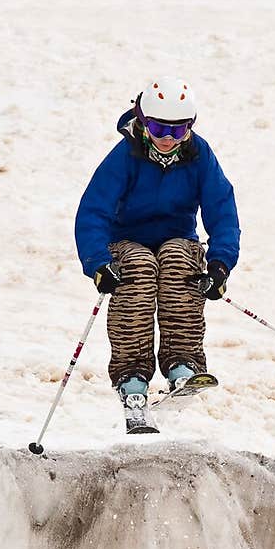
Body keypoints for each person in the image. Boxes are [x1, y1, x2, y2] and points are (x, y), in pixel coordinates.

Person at [75, 77, 241, 433]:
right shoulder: (126, 155)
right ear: (142, 121)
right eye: (158, 128)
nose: (168, 139)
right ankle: (132, 378)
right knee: (138, 266)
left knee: (179, 258)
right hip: (126, 241)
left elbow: (222, 209)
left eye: (178, 130)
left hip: (176, 238)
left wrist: (220, 264)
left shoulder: (199, 155)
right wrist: (97, 263)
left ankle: (182, 366)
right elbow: (93, 211)